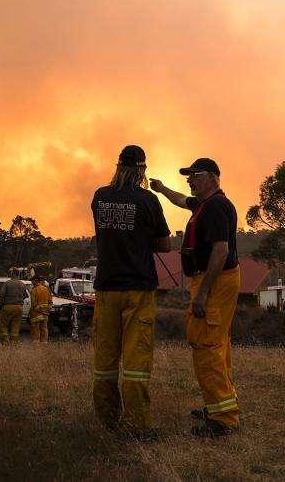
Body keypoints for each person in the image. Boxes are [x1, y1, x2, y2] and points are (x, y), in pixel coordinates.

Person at [150, 157, 241, 437]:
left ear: (214, 177)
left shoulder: (215, 207)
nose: (190, 180)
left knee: (206, 345)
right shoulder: (204, 204)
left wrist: (202, 293)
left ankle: (223, 420)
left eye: (196, 175)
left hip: (213, 282)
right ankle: (218, 406)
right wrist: (162, 189)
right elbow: (181, 200)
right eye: (188, 176)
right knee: (218, 343)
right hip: (216, 281)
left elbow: (221, 251)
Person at [91, 145, 171, 440]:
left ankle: (107, 421)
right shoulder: (148, 200)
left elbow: (107, 234)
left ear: (118, 166)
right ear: (142, 170)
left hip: (106, 288)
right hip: (138, 288)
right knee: (136, 362)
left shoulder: (99, 197)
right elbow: (164, 245)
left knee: (105, 361)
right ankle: (137, 427)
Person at [0, 269, 27, 343]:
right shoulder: (22, 284)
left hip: (7, 306)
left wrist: (1, 306)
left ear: (12, 274)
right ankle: (14, 343)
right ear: (18, 274)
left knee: (4, 325)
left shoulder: (7, 283)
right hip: (19, 308)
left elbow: (1, 295)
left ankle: (5, 342)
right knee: (16, 325)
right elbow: (25, 295)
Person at [29, 276, 53, 342]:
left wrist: (34, 311)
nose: (31, 282)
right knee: (44, 329)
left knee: (36, 329)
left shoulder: (34, 290)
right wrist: (46, 311)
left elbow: (33, 304)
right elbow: (50, 302)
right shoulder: (46, 289)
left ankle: (36, 344)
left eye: (32, 281)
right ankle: (44, 343)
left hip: (36, 314)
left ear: (35, 281)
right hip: (45, 314)